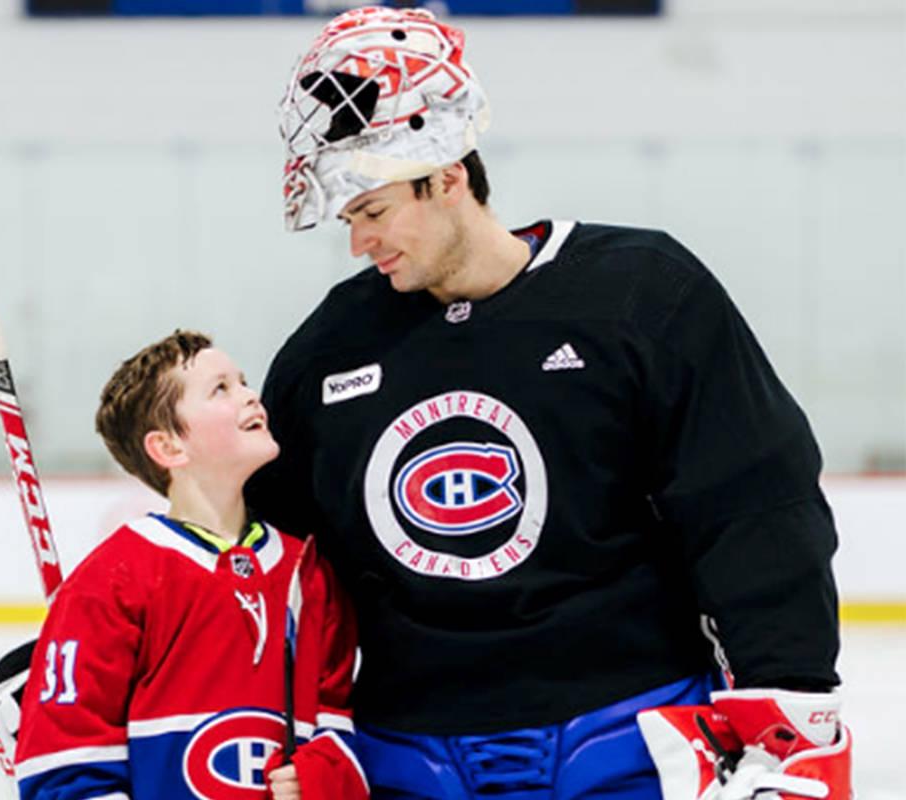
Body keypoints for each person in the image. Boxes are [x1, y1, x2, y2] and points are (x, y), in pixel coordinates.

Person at [246, 7, 851, 799]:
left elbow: (753, 510)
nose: (358, 243)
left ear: (448, 177)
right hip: (408, 761)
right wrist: (107, 653)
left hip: (630, 745)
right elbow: (256, 555)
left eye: (372, 211)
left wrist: (789, 714)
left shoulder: (642, 295)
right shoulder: (332, 348)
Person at [14, 330, 368, 800]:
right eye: (221, 389)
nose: (249, 395)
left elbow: (336, 724)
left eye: (242, 381)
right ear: (169, 448)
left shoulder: (308, 573)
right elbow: (64, 764)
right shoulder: (113, 580)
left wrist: (321, 779)